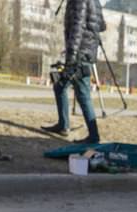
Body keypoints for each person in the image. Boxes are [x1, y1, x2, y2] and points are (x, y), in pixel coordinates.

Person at [42, 0, 105, 144]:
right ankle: (63, 126)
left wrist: (71, 56)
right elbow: (102, 25)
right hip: (85, 52)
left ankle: (94, 136)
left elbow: (77, 28)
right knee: (60, 87)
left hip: (79, 56)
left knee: (83, 95)